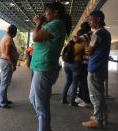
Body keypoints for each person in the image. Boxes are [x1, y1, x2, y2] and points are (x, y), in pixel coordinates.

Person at [29, 2, 72, 131]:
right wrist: (40, 24)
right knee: (33, 99)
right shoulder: (53, 24)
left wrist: (38, 23)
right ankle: (46, 127)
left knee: (41, 106)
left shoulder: (57, 24)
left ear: (55, 12)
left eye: (47, 11)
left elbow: (36, 37)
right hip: (40, 67)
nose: (44, 14)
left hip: (44, 68)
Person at [82, 10, 111, 128]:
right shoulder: (107, 33)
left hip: (95, 67)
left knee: (95, 95)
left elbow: (89, 50)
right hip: (102, 67)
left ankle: (98, 120)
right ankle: (102, 117)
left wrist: (87, 49)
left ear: (98, 19)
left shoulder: (98, 33)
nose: (89, 22)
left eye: (90, 20)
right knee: (100, 94)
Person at [0, 25, 19, 108]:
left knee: (5, 82)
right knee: (4, 83)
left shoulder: (5, 37)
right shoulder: (9, 40)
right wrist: (13, 64)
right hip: (7, 62)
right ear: (14, 32)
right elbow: (8, 54)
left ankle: (3, 99)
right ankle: (2, 102)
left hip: (4, 61)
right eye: (16, 32)